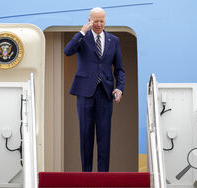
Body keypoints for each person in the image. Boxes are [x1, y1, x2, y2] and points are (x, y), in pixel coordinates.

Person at [64, 7, 125, 172]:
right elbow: (68, 51)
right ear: (89, 20)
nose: (98, 24)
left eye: (101, 21)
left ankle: (103, 176)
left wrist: (119, 88)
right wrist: (82, 32)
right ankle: (86, 175)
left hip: (106, 93)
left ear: (106, 20)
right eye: (95, 21)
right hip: (85, 92)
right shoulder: (82, 38)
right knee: (86, 134)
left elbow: (119, 69)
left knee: (104, 136)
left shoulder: (114, 40)